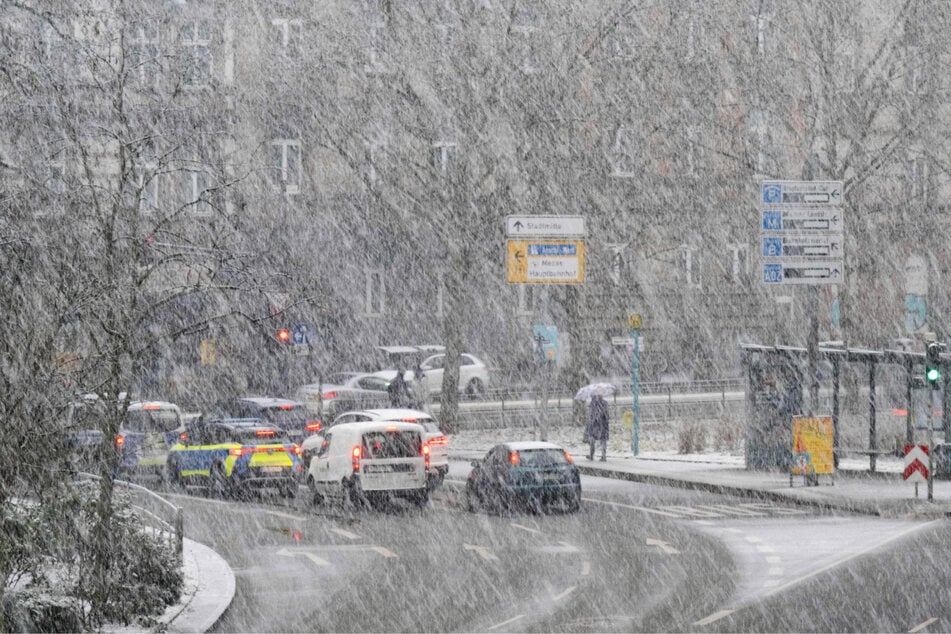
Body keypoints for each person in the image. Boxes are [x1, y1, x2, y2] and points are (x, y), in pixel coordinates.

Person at [587, 394, 609, 461]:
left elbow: (592, 415)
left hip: (595, 425)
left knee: (592, 440)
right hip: (604, 425)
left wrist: (592, 421)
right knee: (603, 440)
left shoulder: (593, 403)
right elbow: (607, 415)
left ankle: (591, 455)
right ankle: (603, 456)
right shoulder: (605, 403)